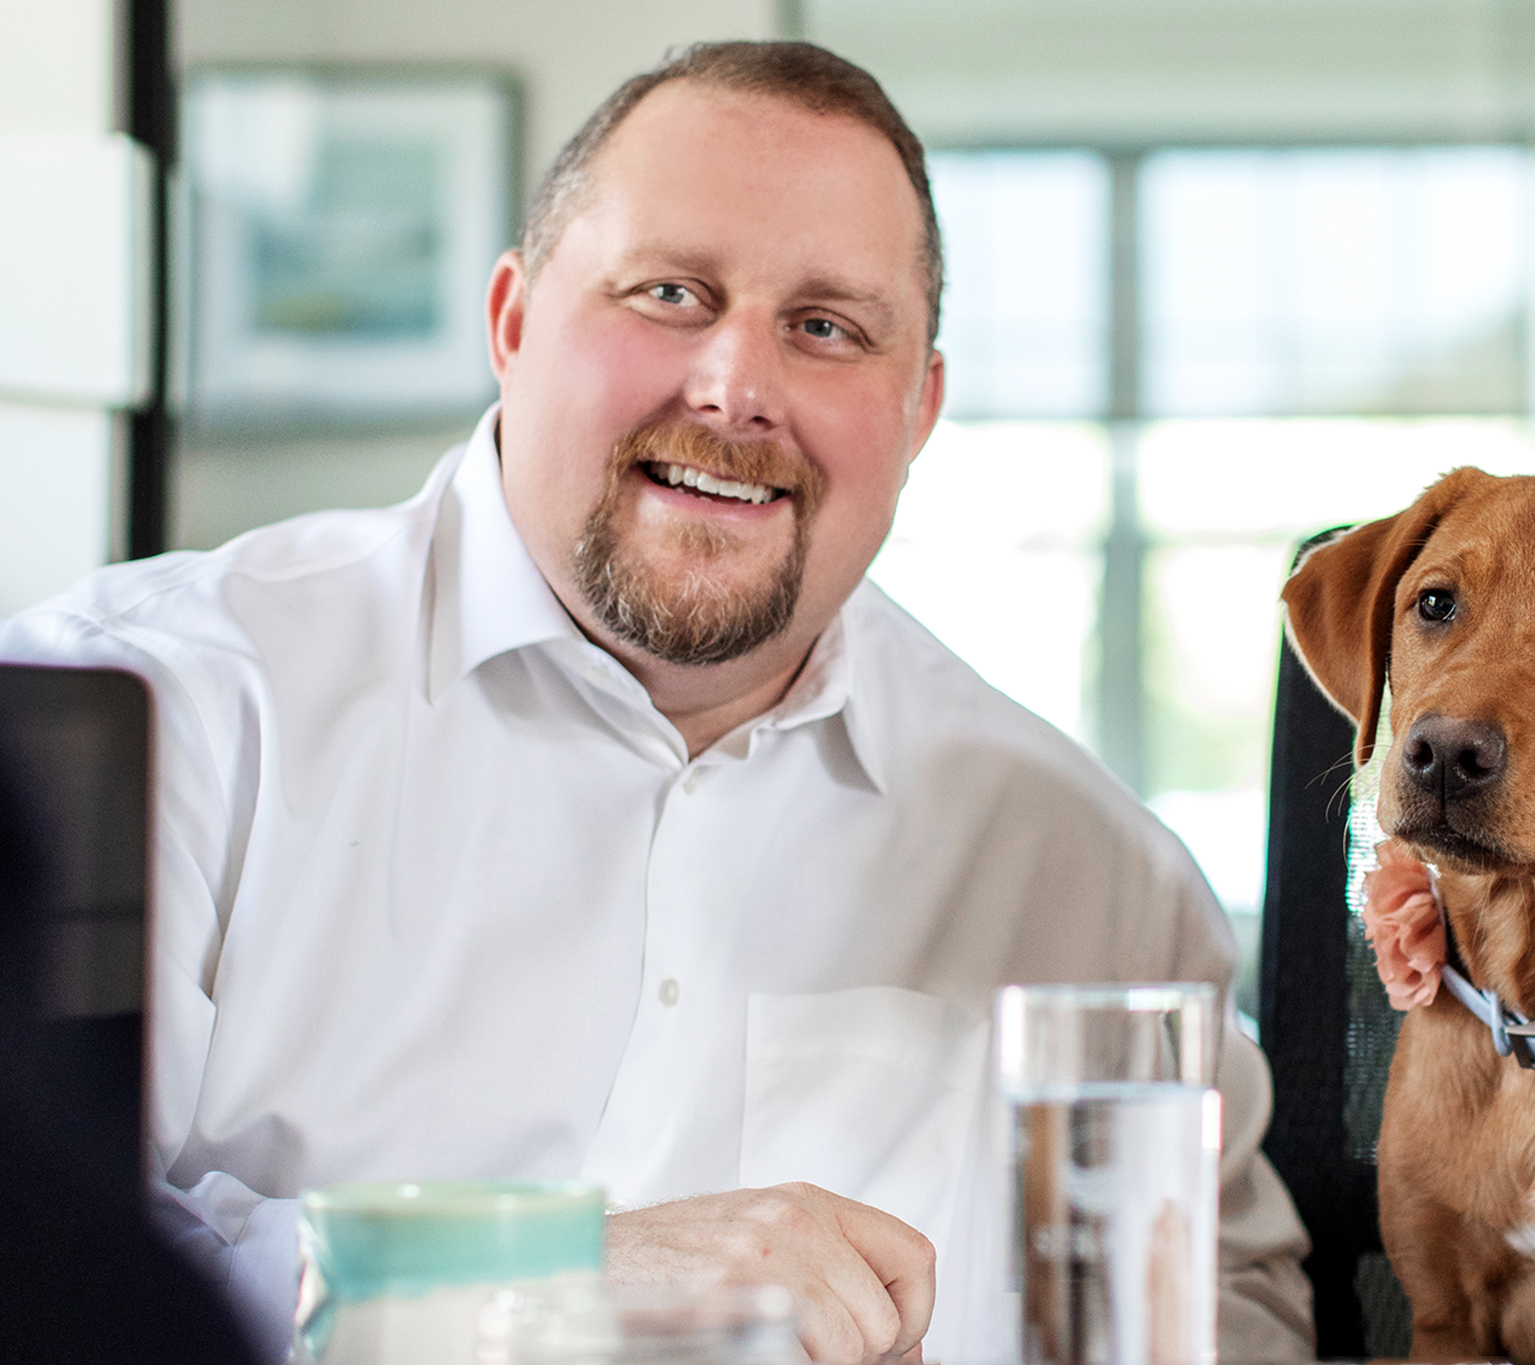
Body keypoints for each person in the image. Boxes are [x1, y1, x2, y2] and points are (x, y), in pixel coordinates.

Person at [0, 41, 1314, 1363]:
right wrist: (539, 1277)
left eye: (825, 328)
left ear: (919, 411)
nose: (738, 388)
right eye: (672, 292)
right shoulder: (151, 712)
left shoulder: (1095, 876)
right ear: (512, 322)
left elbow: (1231, 1316)